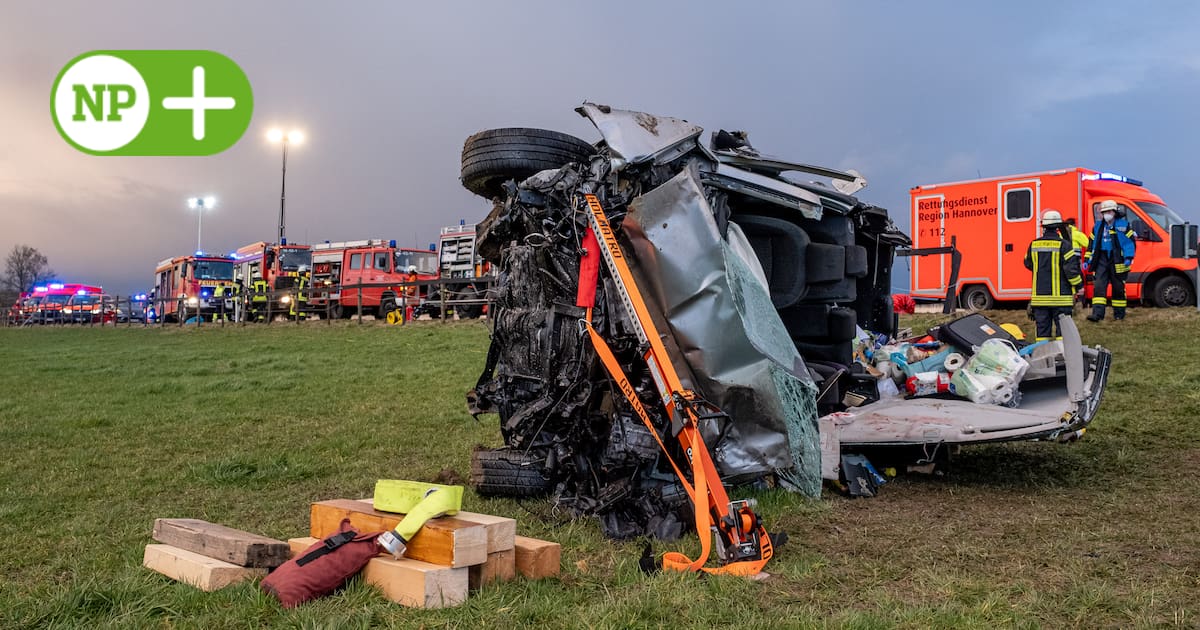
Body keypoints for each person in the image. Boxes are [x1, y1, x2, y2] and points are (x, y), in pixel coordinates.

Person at [1024, 209, 1082, 341]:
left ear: (1044, 227)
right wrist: (1079, 286)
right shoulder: (1065, 245)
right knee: (1063, 333)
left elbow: (1027, 263)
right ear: (1058, 227)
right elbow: (1071, 270)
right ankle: (1063, 357)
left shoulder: (1034, 244)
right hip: (1061, 299)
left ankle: (1044, 358)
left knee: (1042, 334)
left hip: (1039, 299)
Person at [1085, 200, 1137, 321]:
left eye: (1108, 211)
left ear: (1115, 212)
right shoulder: (1098, 226)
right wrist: (1087, 260)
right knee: (1098, 286)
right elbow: (1091, 244)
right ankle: (1097, 314)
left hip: (1117, 259)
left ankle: (1119, 314)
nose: (1106, 214)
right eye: (1104, 212)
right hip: (1101, 258)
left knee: (1118, 288)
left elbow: (1129, 243)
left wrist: (1129, 258)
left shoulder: (1123, 225)